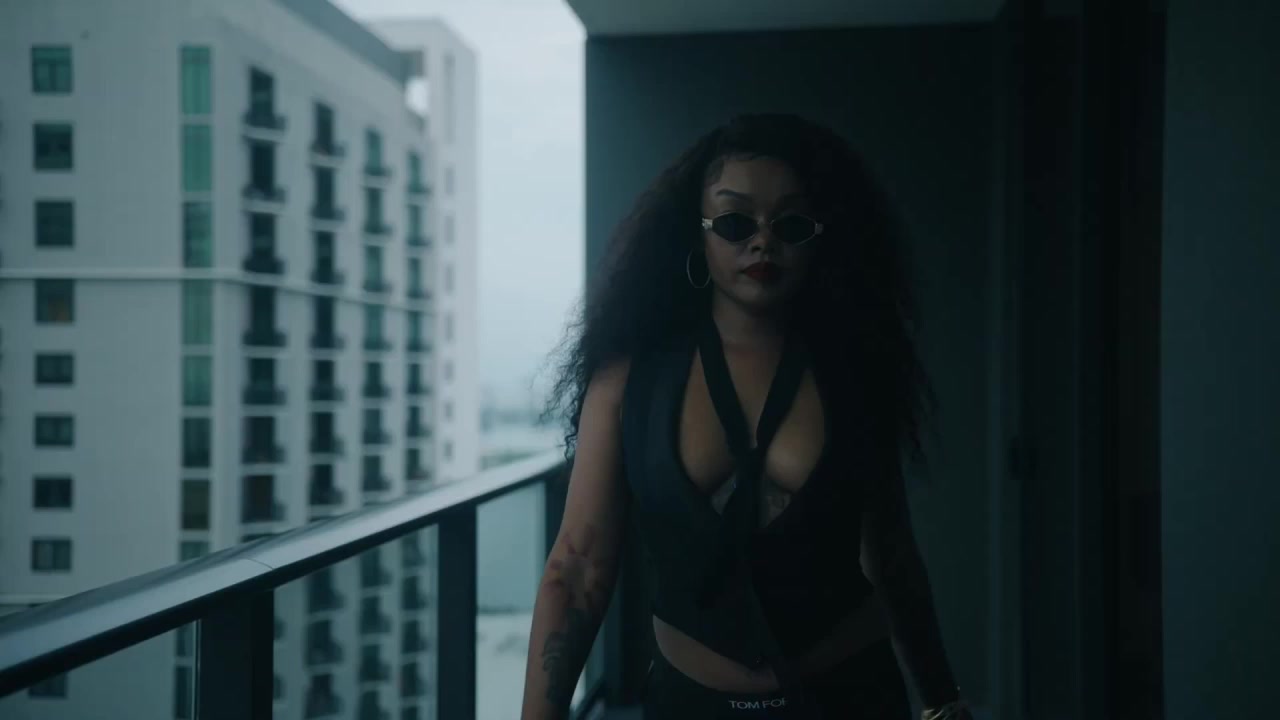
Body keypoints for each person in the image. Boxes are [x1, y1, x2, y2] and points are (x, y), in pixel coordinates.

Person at [520, 114, 971, 719]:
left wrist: (944, 704)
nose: (763, 242)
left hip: (851, 699)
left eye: (790, 224)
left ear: (819, 237)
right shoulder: (627, 380)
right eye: (735, 222)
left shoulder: (856, 371)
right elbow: (578, 566)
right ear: (697, 234)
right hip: (688, 707)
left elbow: (890, 554)